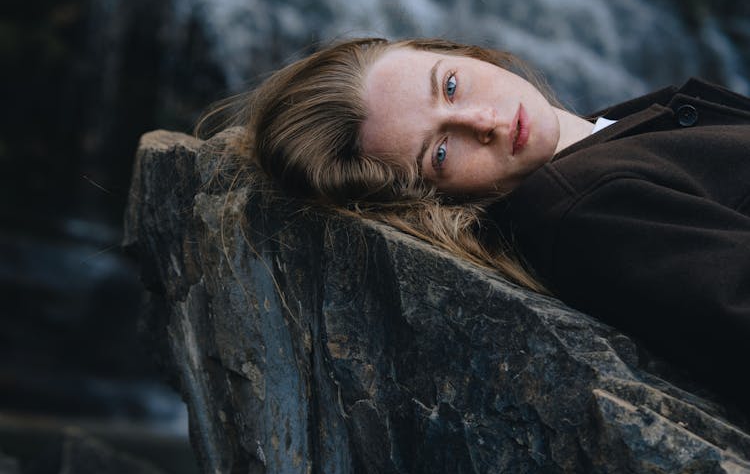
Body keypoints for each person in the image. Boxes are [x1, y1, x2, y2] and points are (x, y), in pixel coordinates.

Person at [215, 36, 750, 413]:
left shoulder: (610, 136)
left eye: (450, 86)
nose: (485, 122)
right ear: (429, 201)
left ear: (463, 53)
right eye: (441, 152)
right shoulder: (587, 208)